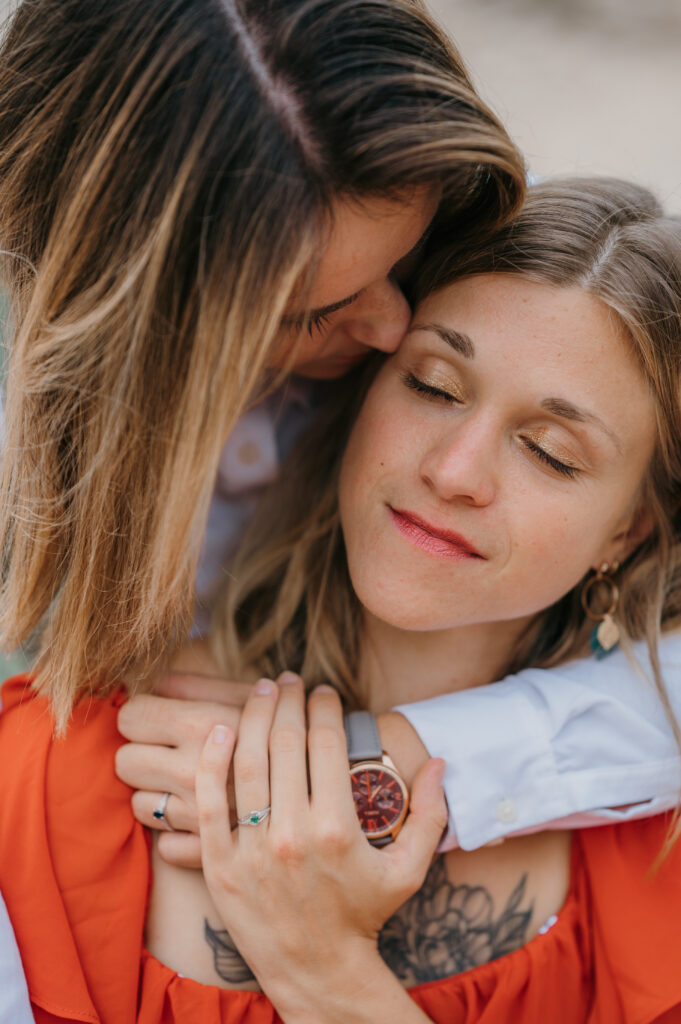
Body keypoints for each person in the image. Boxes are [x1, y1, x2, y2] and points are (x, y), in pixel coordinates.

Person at [2, 177, 681, 1024]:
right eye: (431, 385)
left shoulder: (660, 852)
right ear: (361, 387)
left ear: (630, 531)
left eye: (548, 451)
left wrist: (326, 976)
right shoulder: (47, 770)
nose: (453, 472)